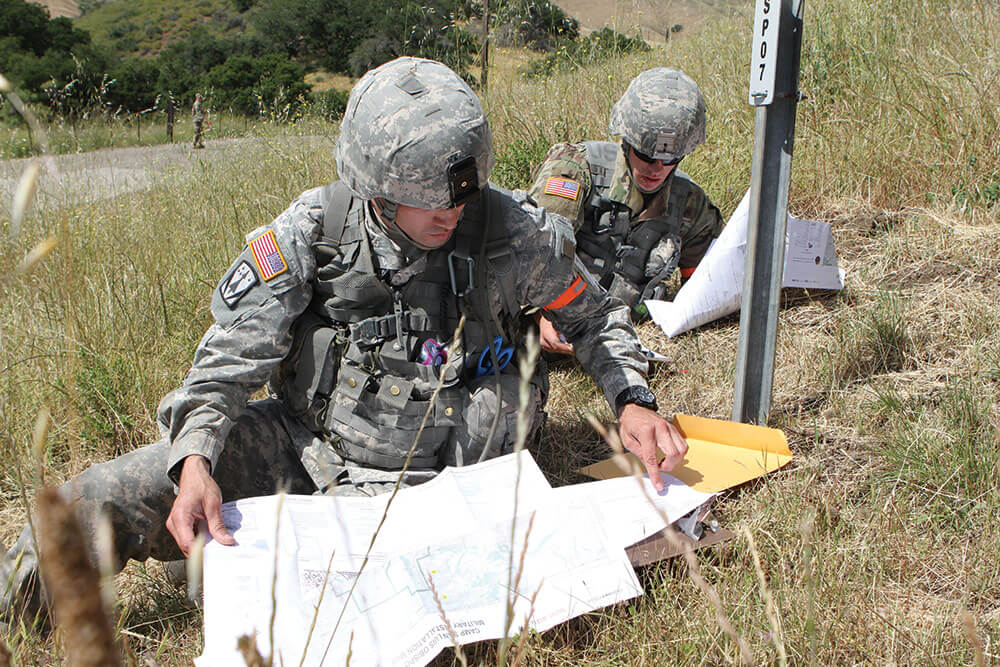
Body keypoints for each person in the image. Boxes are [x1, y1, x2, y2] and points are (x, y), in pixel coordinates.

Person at [0, 57, 687, 626]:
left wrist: (630, 397)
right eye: (429, 200)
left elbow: (590, 316)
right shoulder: (315, 231)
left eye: (461, 196)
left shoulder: (510, 230)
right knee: (94, 498)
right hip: (312, 450)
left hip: (459, 481)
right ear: (375, 187)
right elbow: (227, 361)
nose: (451, 213)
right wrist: (195, 459)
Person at [528, 68, 724, 355]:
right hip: (547, 327)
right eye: (645, 155)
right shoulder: (575, 169)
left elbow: (710, 278)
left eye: (670, 158)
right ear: (627, 141)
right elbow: (531, 251)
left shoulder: (689, 203)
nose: (656, 169)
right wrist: (543, 313)